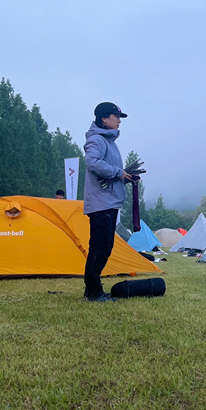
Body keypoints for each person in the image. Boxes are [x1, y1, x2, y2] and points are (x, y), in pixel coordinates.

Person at [83, 102, 134, 302]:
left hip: (109, 201)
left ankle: (94, 289)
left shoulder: (110, 142)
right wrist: (117, 173)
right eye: (116, 116)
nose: (119, 121)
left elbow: (111, 172)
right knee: (100, 247)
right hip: (100, 202)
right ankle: (93, 291)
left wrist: (126, 177)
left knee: (105, 246)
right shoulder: (97, 140)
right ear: (104, 118)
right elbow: (92, 163)